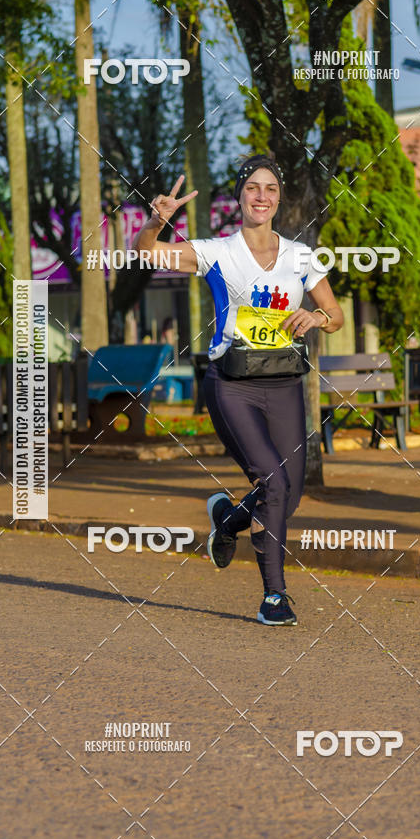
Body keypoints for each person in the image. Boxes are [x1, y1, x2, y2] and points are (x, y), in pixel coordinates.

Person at [134, 155, 344, 625]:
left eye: (270, 188)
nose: (262, 196)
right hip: (232, 384)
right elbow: (148, 252)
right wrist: (156, 222)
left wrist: (315, 317)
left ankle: (229, 520)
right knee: (273, 482)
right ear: (240, 195)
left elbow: (336, 315)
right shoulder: (216, 251)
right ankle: (274, 596)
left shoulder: (300, 256)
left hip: (286, 383)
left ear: (280, 197)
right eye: (252, 187)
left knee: (287, 497)